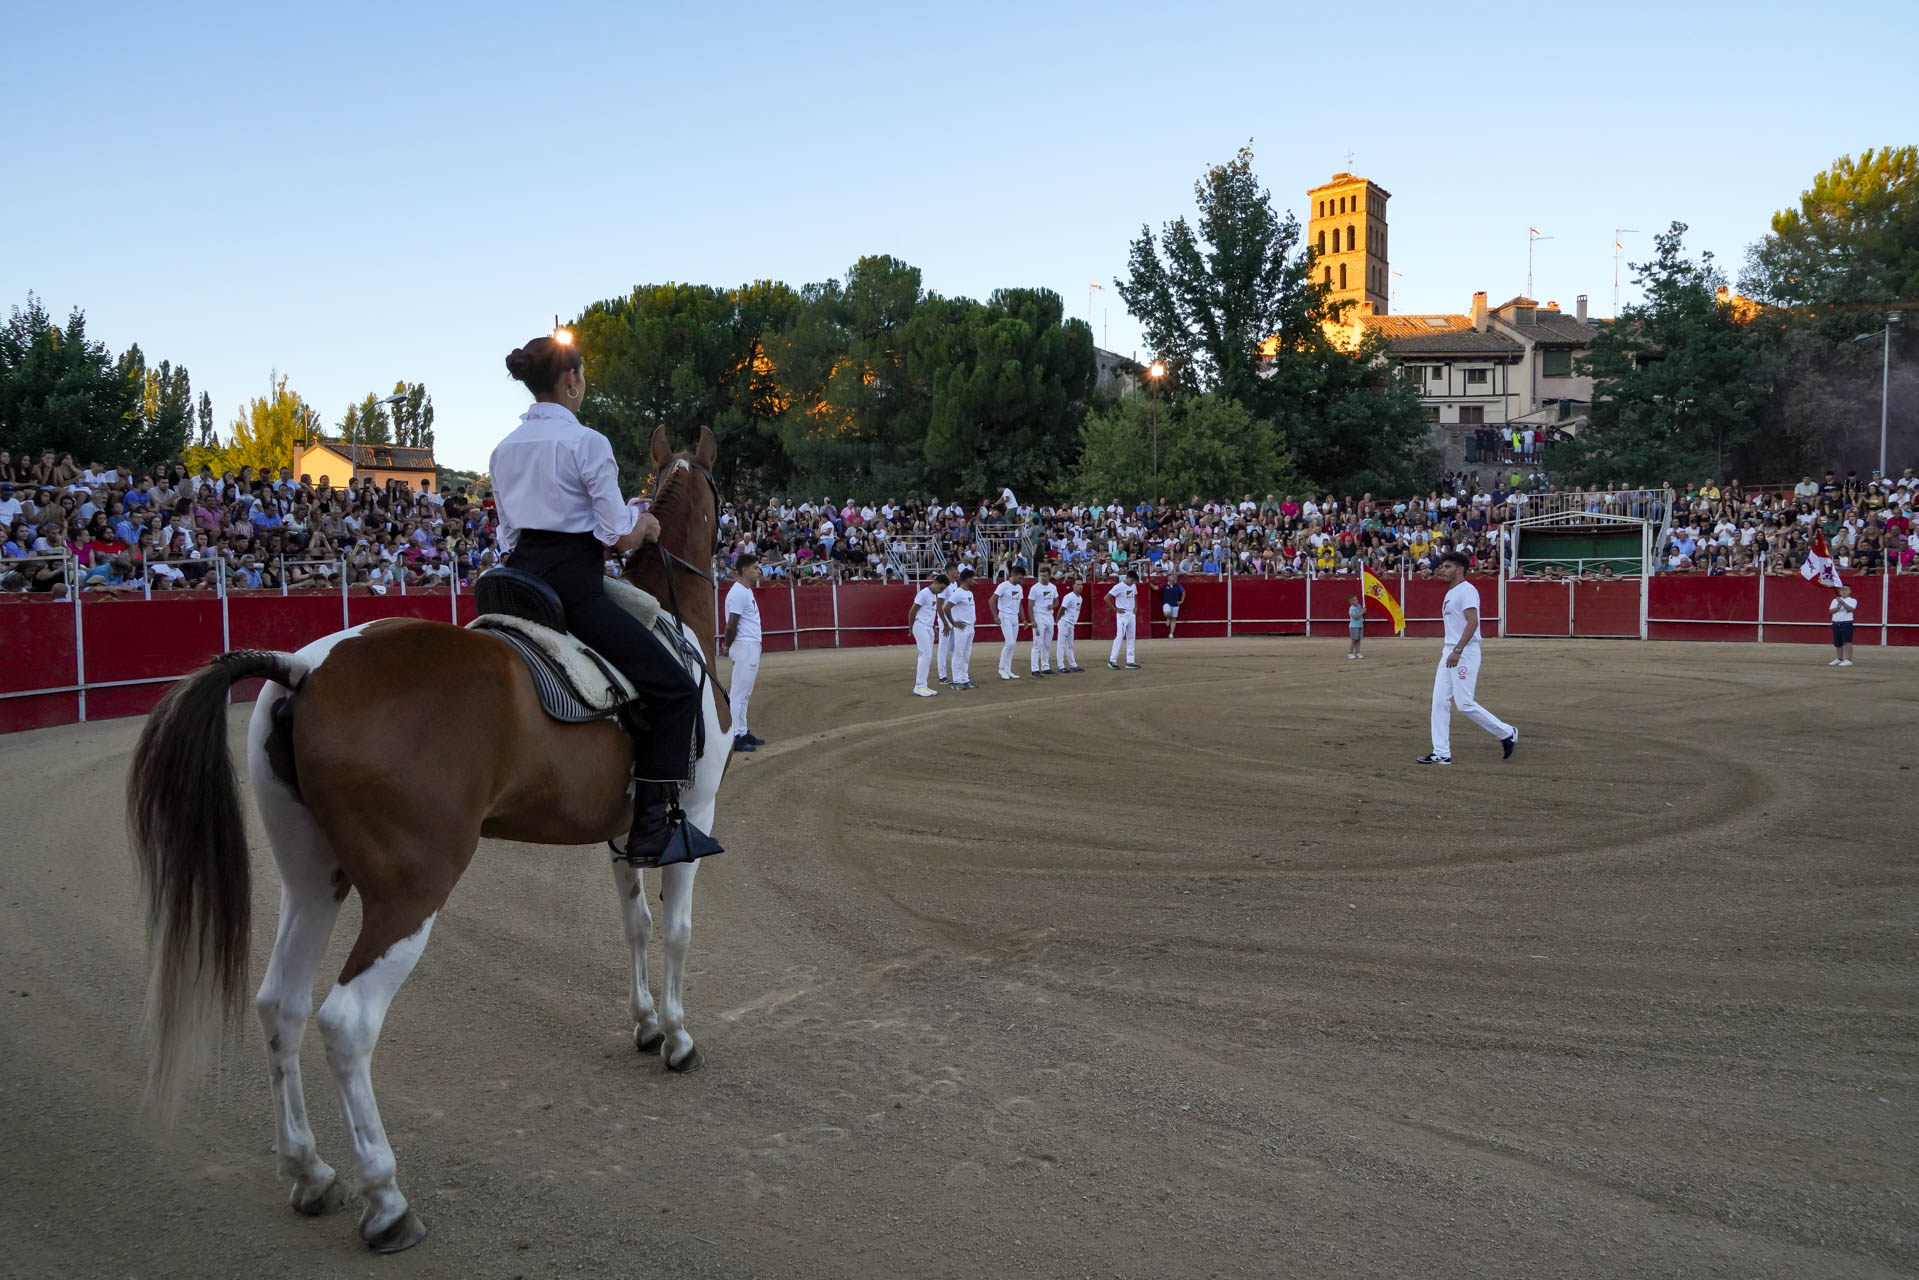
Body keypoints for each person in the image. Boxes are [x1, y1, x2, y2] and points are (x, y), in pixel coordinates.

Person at [490, 333, 718, 865]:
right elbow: (617, 535)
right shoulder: (587, 442)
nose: (584, 383)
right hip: (573, 589)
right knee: (677, 688)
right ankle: (650, 828)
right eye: (584, 375)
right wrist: (647, 526)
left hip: (515, 582)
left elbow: (506, 535)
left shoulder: (503, 449)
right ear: (571, 380)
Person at [1420, 552, 1516, 765]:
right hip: (1450, 650)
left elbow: (1472, 623)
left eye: (1447, 566)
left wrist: (1458, 650)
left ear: (1460, 569)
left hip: (1464, 652)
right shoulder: (1451, 592)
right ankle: (1441, 753)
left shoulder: (1467, 590)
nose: (1442, 570)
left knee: (1464, 704)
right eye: (1442, 566)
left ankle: (1507, 732)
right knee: (1438, 702)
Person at [721, 555, 764, 751]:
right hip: (744, 645)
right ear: (744, 570)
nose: (759, 571)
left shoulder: (745, 591)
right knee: (739, 693)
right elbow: (731, 625)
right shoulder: (739, 593)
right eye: (755, 568)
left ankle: (742, 731)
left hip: (750, 645)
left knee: (744, 693)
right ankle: (735, 736)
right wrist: (727, 645)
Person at [909, 572, 947, 696]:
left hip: (928, 627)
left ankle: (923, 685)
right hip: (920, 626)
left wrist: (933, 627)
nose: (941, 591)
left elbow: (929, 613)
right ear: (935, 583)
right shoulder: (924, 593)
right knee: (925, 655)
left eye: (943, 589)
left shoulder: (933, 595)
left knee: (928, 656)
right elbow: (912, 611)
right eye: (941, 588)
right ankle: (919, 686)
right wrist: (911, 628)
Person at [940, 568, 978, 689]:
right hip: (961, 628)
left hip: (970, 626)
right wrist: (953, 623)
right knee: (959, 653)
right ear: (967, 579)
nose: (974, 581)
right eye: (973, 579)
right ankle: (957, 681)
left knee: (966, 654)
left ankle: (964, 678)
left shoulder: (969, 593)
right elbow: (946, 608)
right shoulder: (958, 593)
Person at [992, 567, 1025, 680]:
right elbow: (992, 600)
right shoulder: (1003, 586)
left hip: (1014, 617)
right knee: (1009, 643)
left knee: (1012, 644)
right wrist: (995, 616)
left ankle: (1008, 669)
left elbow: (1020, 604)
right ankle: (1001, 668)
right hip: (1005, 615)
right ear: (1014, 575)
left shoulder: (1019, 588)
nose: (1022, 580)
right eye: (1020, 578)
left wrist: (1024, 619)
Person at [1026, 564, 1058, 676]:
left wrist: (1052, 606)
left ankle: (1045, 666)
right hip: (1039, 616)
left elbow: (1056, 602)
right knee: (1038, 643)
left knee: (1047, 643)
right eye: (1041, 575)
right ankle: (1034, 668)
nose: (1042, 578)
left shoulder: (1053, 587)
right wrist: (1032, 620)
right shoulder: (1035, 588)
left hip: (1049, 616)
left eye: (1044, 576)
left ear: (1049, 576)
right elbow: (1030, 605)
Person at [1106, 569, 1140, 669]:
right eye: (1132, 580)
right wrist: (1115, 609)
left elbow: (1135, 596)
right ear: (1127, 578)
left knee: (1131, 637)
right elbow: (1106, 598)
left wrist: (1136, 607)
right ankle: (1112, 660)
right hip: (1123, 614)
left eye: (1134, 581)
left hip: (1131, 614)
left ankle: (1130, 661)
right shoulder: (1118, 586)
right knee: (1120, 636)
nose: (1133, 583)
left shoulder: (1133, 585)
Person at [1056, 576, 1083, 673]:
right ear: (1073, 586)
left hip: (1071, 624)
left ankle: (1073, 665)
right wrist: (1057, 621)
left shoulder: (1080, 598)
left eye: (1081, 585)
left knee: (1070, 645)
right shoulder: (1069, 597)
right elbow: (1061, 609)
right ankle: (1060, 666)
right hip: (1064, 622)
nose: (1080, 587)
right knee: (1061, 645)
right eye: (1078, 585)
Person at [1828, 583, 1857, 666]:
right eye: (1841, 589)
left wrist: (1842, 603)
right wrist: (1838, 606)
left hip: (1846, 623)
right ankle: (1839, 658)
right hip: (1836, 623)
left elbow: (1850, 609)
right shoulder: (1835, 600)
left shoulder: (1853, 600)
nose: (1843, 591)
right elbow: (1831, 611)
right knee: (1838, 643)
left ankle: (1848, 660)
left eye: (1845, 589)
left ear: (1850, 591)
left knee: (1847, 642)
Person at [1162, 570, 1185, 638]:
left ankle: (1171, 634)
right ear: (1168, 578)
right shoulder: (1164, 584)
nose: (1174, 578)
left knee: (1174, 619)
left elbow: (1183, 592)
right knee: (1167, 613)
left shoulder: (1178, 585)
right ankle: (1168, 618)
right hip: (1167, 603)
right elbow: (1156, 588)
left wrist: (1182, 600)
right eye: (1173, 577)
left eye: (1175, 577)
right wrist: (1149, 584)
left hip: (1175, 603)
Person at [1347, 594, 1365, 659]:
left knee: (1358, 640)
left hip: (1360, 625)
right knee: (1353, 640)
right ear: (1351, 602)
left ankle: (1358, 653)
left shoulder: (1359, 606)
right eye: (1354, 600)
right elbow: (1356, 617)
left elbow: (1361, 612)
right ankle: (1350, 653)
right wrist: (1363, 612)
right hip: (1354, 626)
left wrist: (1363, 609)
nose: (1356, 601)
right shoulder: (1351, 609)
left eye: (1356, 599)